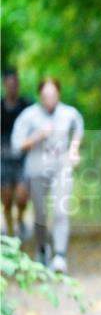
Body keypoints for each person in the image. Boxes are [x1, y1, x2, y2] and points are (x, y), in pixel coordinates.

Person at [10, 77, 84, 273]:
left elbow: (78, 128)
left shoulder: (69, 113)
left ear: (58, 94)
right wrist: (38, 135)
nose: (49, 99)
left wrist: (74, 150)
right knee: (41, 214)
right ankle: (43, 249)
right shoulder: (29, 116)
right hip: (36, 169)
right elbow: (17, 145)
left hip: (61, 168)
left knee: (61, 211)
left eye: (53, 95)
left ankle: (60, 255)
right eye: (45, 95)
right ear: (40, 95)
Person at [1, 67, 32, 240]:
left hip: (22, 157)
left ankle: (19, 219)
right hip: (3, 158)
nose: (12, 87)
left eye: (15, 83)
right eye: (9, 83)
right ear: (5, 84)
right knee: (6, 199)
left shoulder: (26, 105)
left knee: (22, 195)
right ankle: (11, 232)